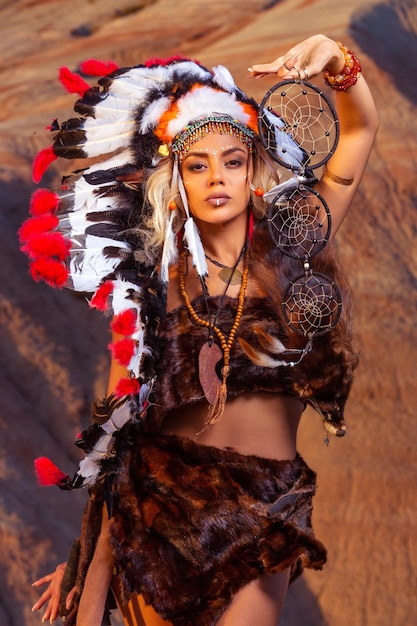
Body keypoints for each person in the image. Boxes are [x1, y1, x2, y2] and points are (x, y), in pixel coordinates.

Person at [25, 34, 378, 626]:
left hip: (265, 509)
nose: (217, 177)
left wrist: (338, 62)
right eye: (198, 164)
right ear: (177, 180)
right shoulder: (151, 286)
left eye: (232, 161)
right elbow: (120, 431)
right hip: (156, 508)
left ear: (252, 173)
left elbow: (360, 134)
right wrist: (87, 557)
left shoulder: (293, 246)